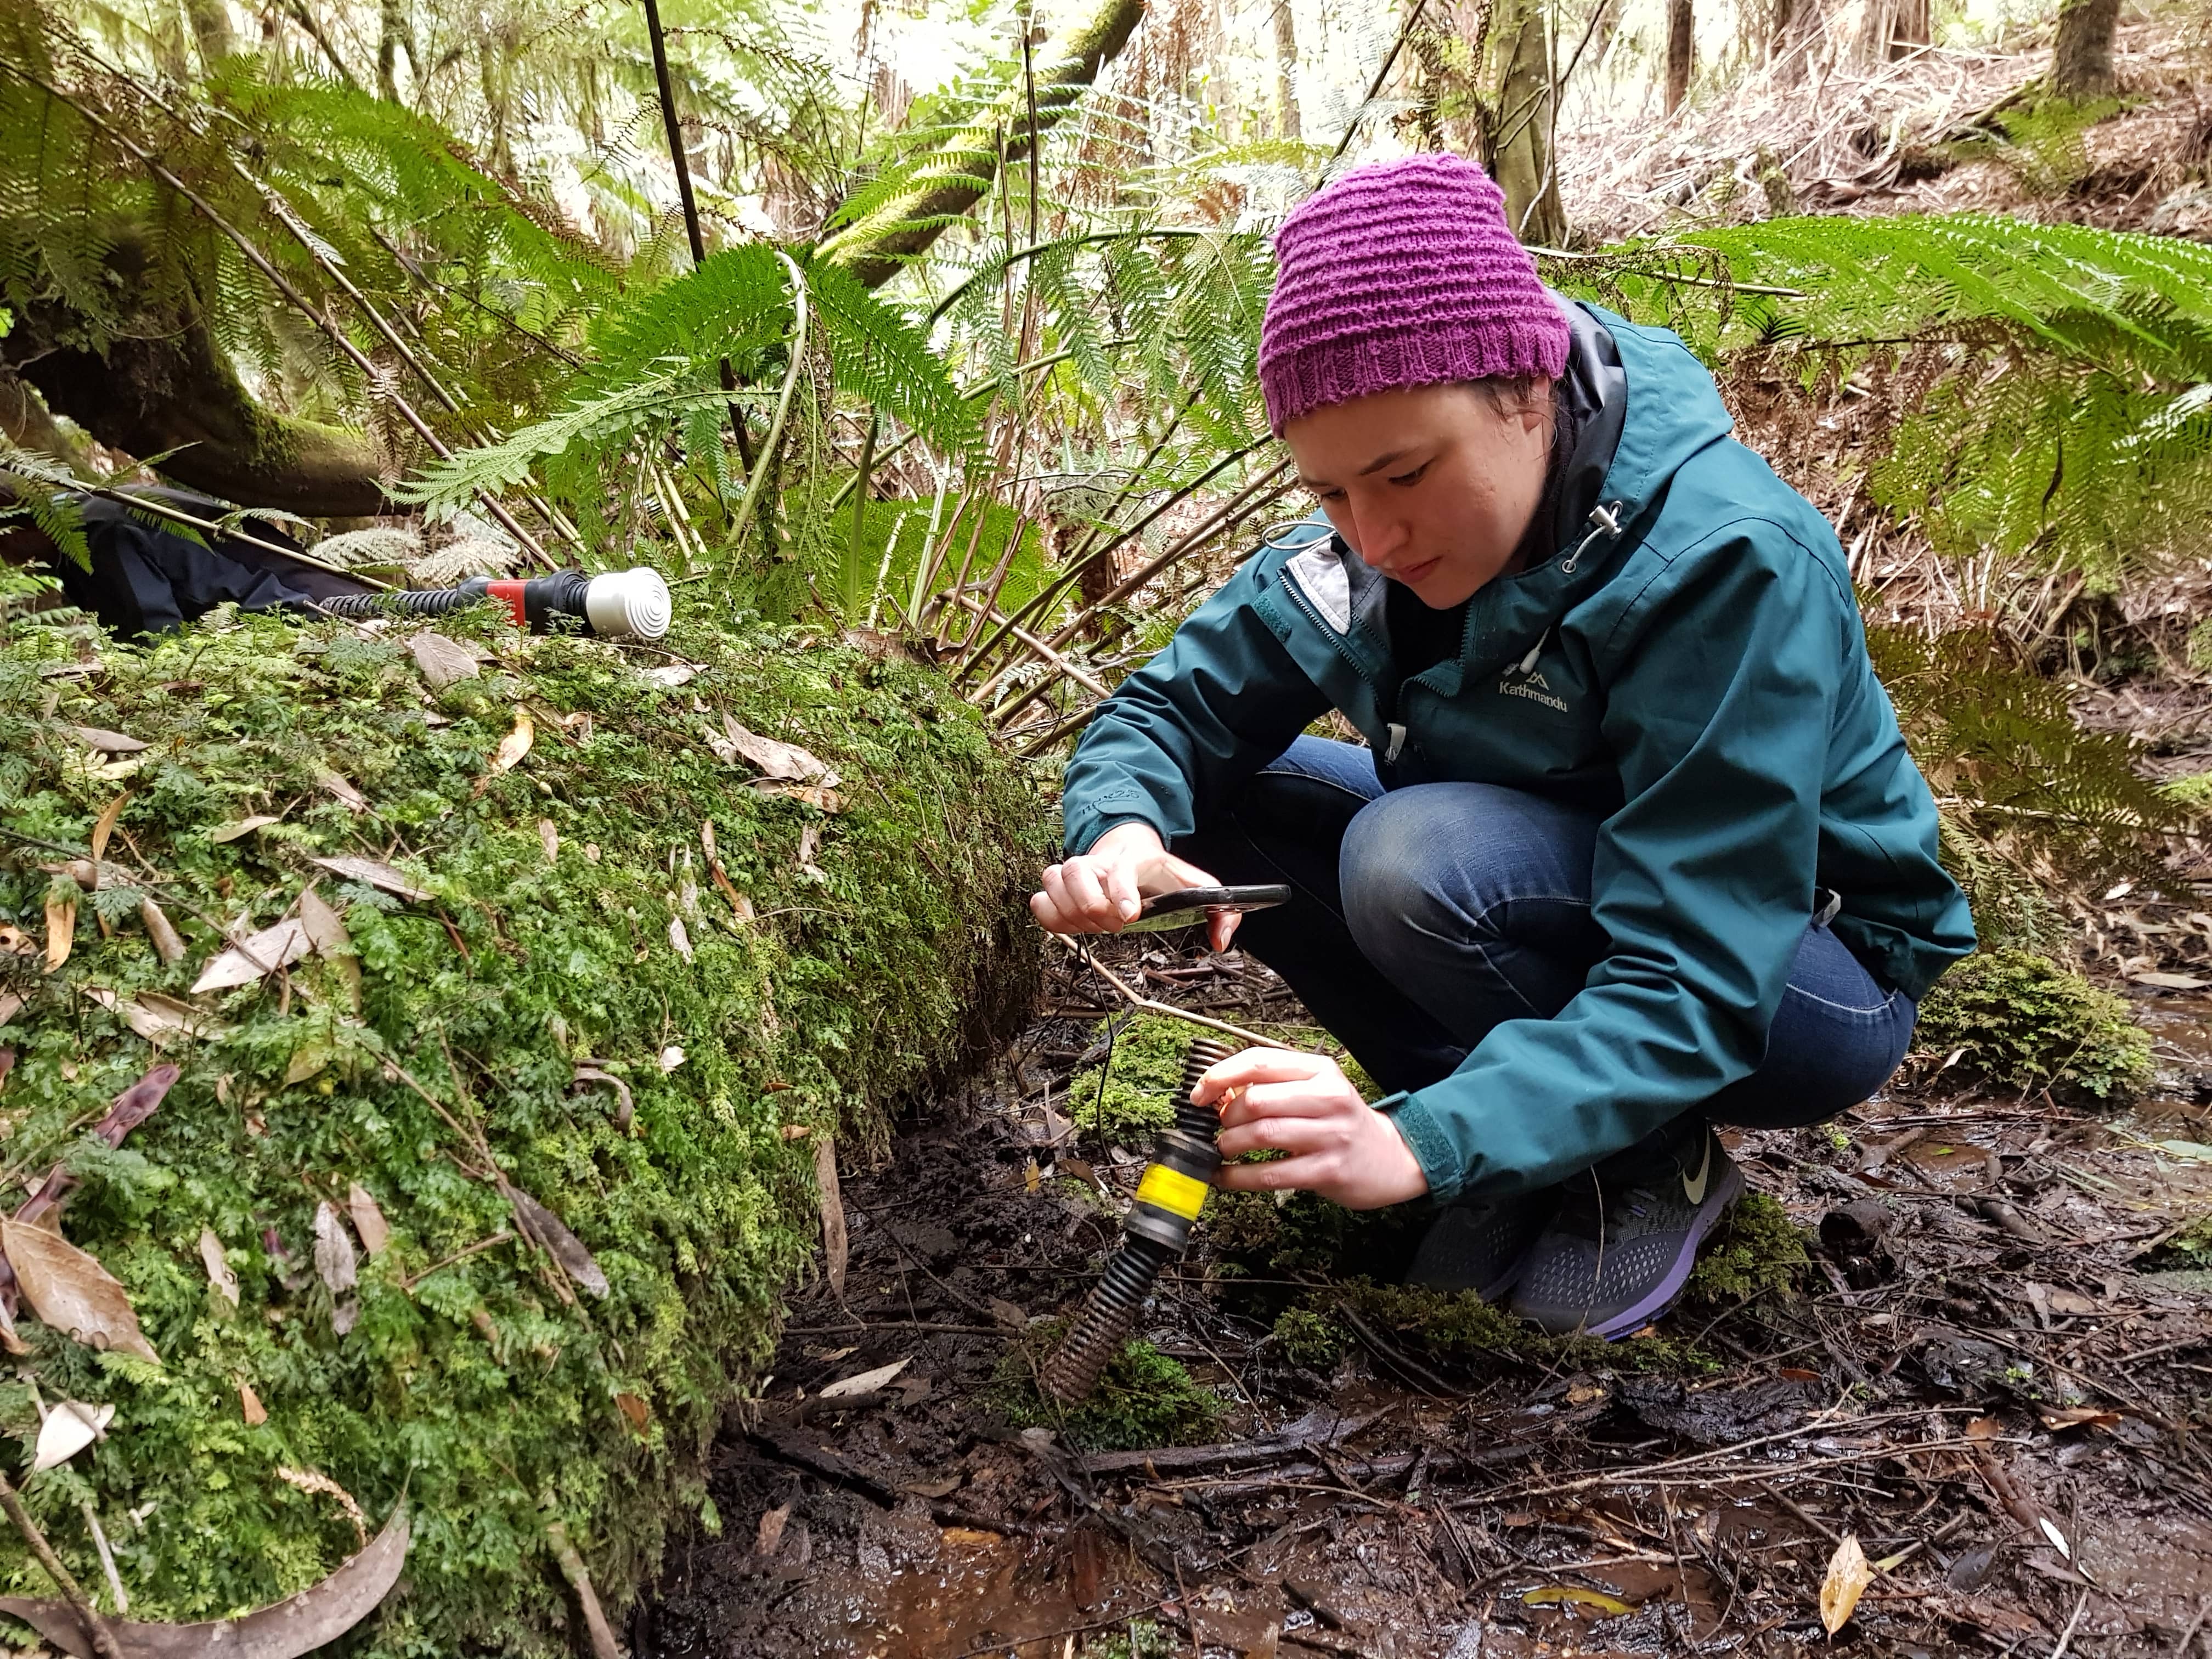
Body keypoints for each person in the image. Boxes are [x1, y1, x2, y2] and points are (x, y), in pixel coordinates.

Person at [1030, 154, 1974, 1340]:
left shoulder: (1725, 560)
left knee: (1414, 854)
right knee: (1221, 812)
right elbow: (1168, 714)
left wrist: (1416, 1144)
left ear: (1528, 394)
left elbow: (1699, 965)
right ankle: (1511, 1126)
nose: (1371, 537)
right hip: (1574, 897)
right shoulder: (1357, 564)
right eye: (1327, 494)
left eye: (1405, 474)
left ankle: (1638, 1157)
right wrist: (1120, 832)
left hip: (1802, 970)